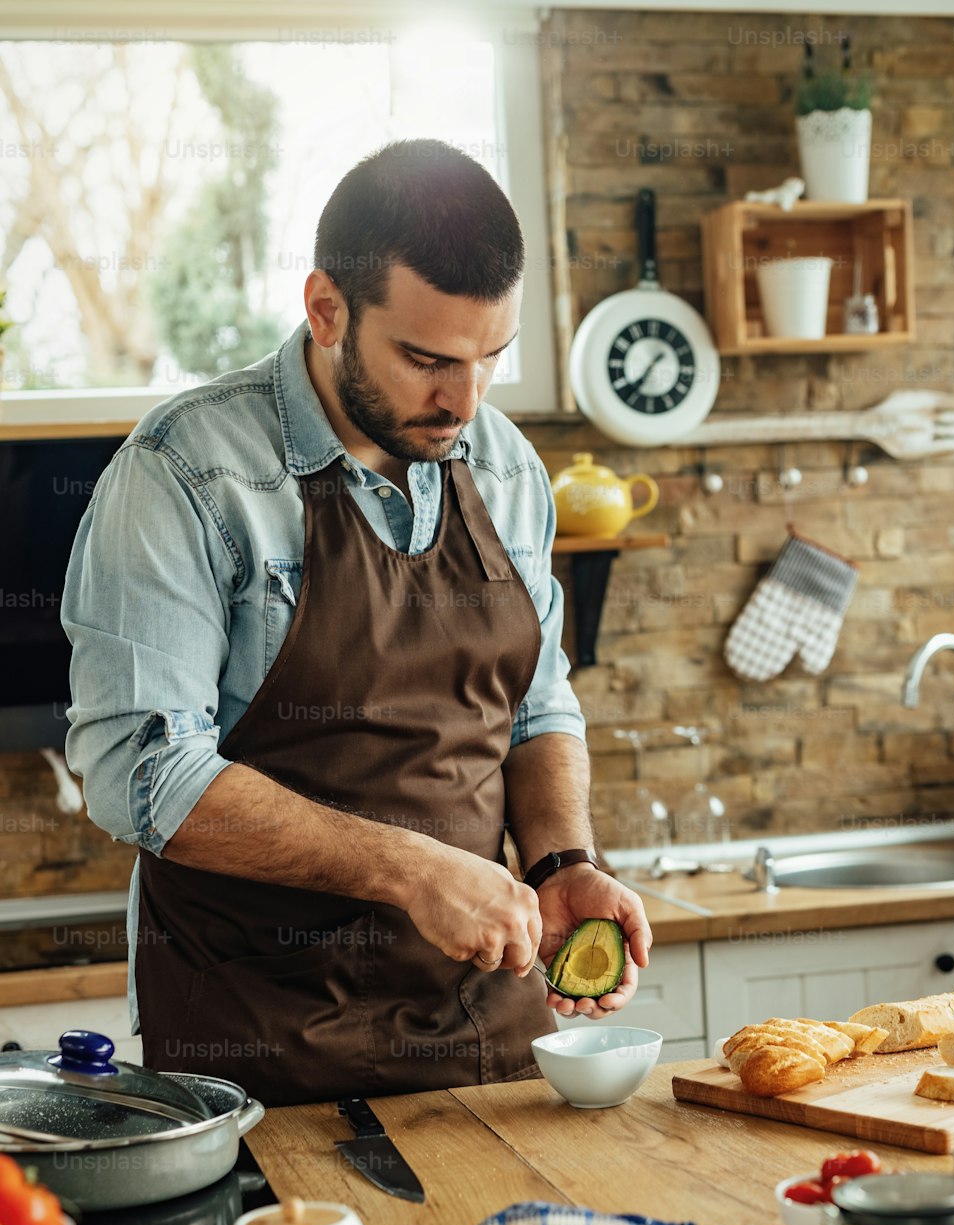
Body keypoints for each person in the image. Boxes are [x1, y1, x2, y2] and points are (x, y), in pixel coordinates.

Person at [61, 139, 652, 1106]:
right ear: (327, 308)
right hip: (257, 1054)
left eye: (490, 360)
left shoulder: (504, 468)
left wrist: (562, 860)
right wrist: (413, 870)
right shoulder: (186, 473)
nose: (464, 403)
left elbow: (538, 706)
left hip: (487, 1040)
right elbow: (141, 771)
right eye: (427, 360)